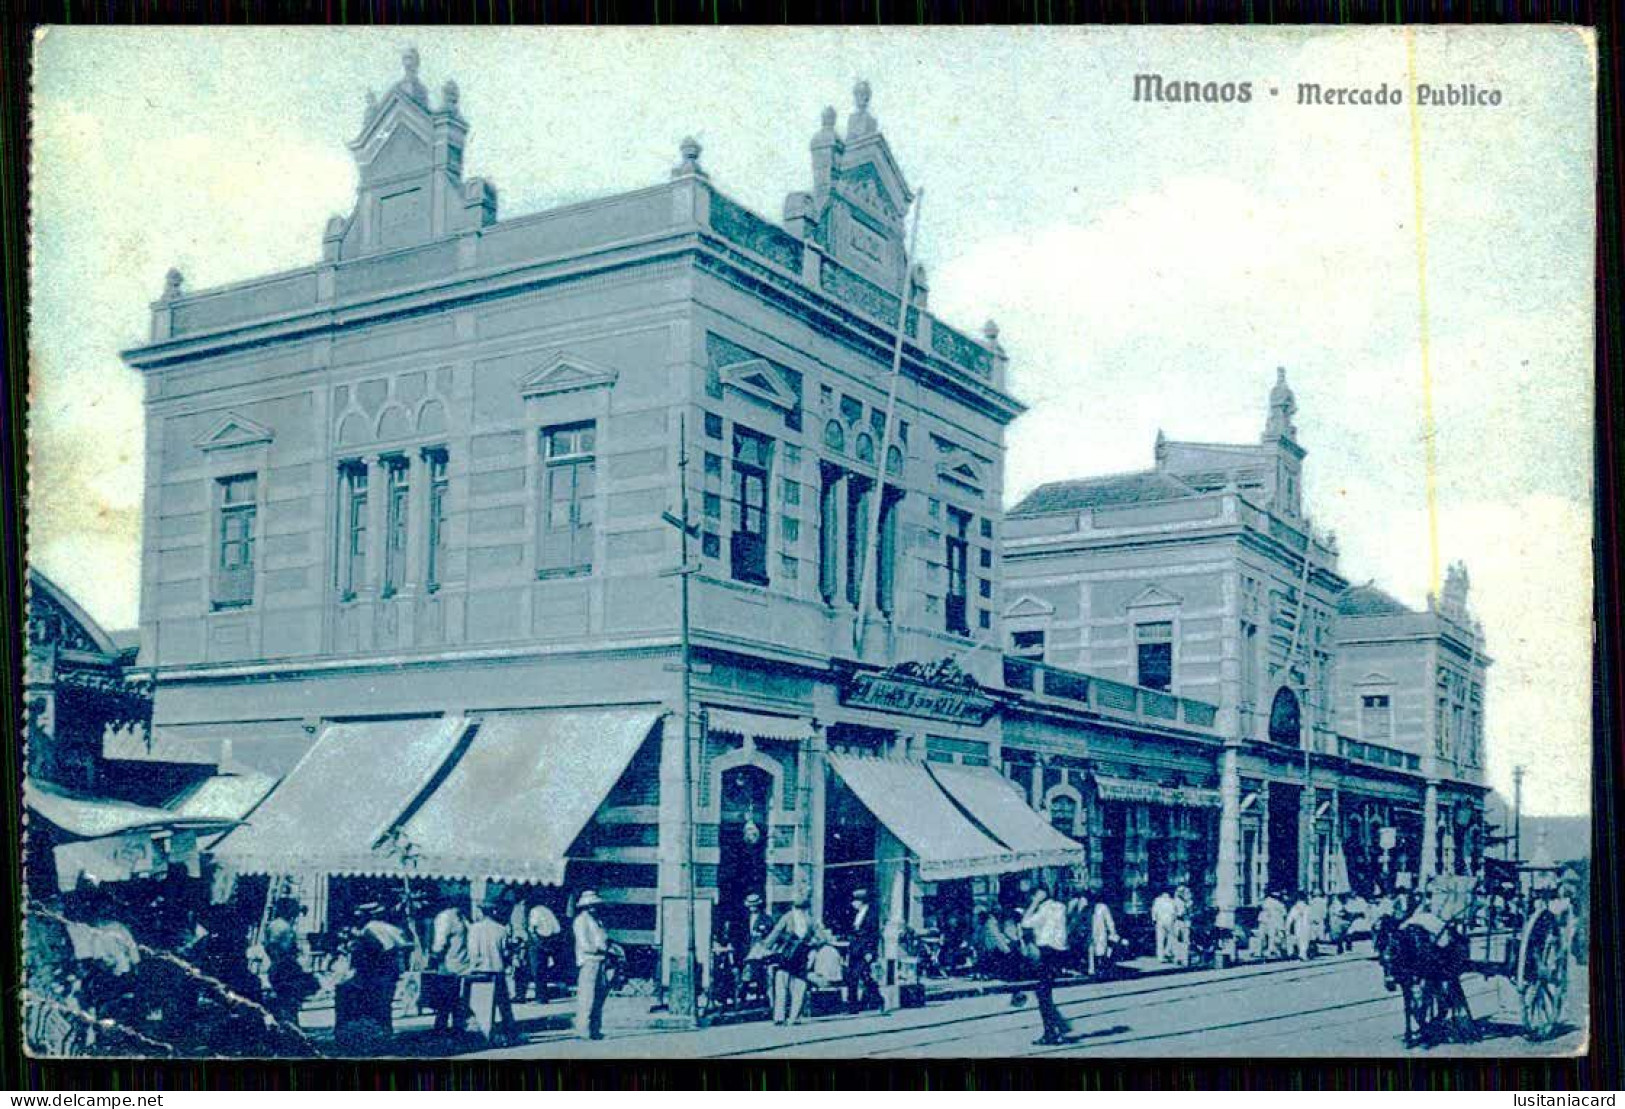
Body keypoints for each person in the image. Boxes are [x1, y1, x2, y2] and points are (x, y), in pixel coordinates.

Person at [763, 895, 833, 1026]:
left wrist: (765, 946)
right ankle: (794, 1017)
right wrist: (811, 944)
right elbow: (823, 938)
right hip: (802, 957)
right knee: (799, 988)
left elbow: (775, 933)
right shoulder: (811, 920)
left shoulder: (787, 917)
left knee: (781, 986)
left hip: (786, 957)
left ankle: (779, 1017)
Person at [1020, 885, 1073, 1046]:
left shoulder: (1043, 910)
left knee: (1043, 995)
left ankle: (1051, 1033)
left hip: (1047, 952)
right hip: (1059, 952)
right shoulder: (1060, 907)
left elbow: (1025, 923)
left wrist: (1034, 903)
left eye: (1033, 896)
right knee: (1044, 993)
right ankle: (1055, 1028)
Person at [465, 900, 517, 1042]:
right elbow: (506, 953)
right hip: (496, 969)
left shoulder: (474, 929)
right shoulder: (501, 929)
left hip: (478, 972)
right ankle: (510, 1032)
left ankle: (479, 1031)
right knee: (503, 1004)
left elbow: (473, 952)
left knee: (477, 1004)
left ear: (481, 912)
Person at [262, 897, 315, 1027]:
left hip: (283, 965)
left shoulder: (279, 924)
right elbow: (274, 946)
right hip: (283, 967)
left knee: (289, 1001)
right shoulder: (281, 926)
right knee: (287, 1001)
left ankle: (289, 1028)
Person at [572, 890, 612, 1040]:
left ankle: (595, 1029)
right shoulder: (581, 921)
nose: (593, 908)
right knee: (587, 997)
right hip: (589, 960)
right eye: (590, 905)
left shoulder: (597, 921)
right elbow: (584, 944)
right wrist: (601, 948)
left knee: (598, 997)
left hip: (600, 960)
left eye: (595, 905)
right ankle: (583, 1029)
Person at [842, 887, 881, 1013]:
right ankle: (854, 1005)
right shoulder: (856, 914)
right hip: (855, 949)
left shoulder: (871, 914)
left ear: (861, 901)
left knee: (861, 976)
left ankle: (876, 999)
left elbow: (873, 934)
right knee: (853, 976)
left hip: (864, 950)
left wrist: (870, 951)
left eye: (855, 901)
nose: (853, 903)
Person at [525, 900, 564, 1003]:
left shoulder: (534, 911)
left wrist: (535, 940)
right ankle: (543, 995)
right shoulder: (548, 911)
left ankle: (540, 996)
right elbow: (557, 929)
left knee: (537, 970)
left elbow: (532, 928)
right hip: (549, 940)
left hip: (538, 941)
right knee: (543, 969)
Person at [1088, 894, 1120, 978]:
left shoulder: (1089, 907)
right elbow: (1109, 921)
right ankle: (1100, 970)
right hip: (1100, 933)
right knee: (1101, 952)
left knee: (1093, 952)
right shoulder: (1103, 907)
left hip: (1093, 933)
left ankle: (1093, 971)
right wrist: (1113, 932)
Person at [1150, 888, 1177, 962]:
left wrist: (1154, 919)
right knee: (1172, 937)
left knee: (1160, 939)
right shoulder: (1172, 901)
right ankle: (1167, 951)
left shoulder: (1157, 900)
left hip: (1160, 921)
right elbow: (1174, 912)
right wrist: (1174, 919)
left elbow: (1154, 910)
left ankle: (1160, 957)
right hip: (1169, 920)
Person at [1285, 895, 1313, 961]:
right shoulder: (1307, 907)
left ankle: (1300, 954)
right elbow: (1312, 918)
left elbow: (1290, 918)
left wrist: (1287, 927)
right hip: (1306, 926)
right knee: (1305, 941)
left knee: (1299, 940)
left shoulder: (1295, 908)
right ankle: (1302, 954)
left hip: (1298, 926)